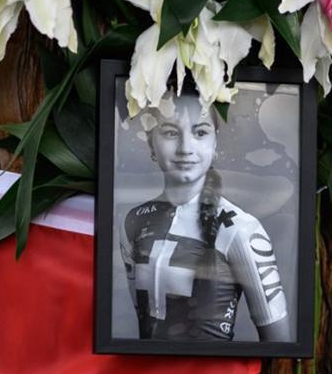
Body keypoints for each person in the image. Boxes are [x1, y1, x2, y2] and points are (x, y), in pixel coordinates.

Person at [119, 89, 291, 342]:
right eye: (170, 133)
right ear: (151, 144)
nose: (185, 148)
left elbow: (280, 347)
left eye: (200, 132)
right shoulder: (133, 220)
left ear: (215, 144)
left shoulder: (241, 229)